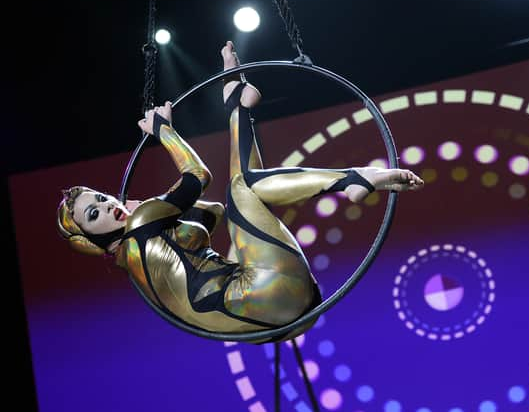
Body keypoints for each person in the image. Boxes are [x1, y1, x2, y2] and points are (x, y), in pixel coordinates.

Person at [56, 41, 424, 343]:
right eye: (94, 215)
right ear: (90, 240)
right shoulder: (141, 225)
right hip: (266, 295)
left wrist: (163, 210)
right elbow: (199, 175)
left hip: (277, 319)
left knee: (243, 190)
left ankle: (237, 103)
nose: (107, 207)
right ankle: (351, 180)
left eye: (101, 199)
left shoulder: (139, 250)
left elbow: (215, 211)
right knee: (244, 185)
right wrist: (164, 131)